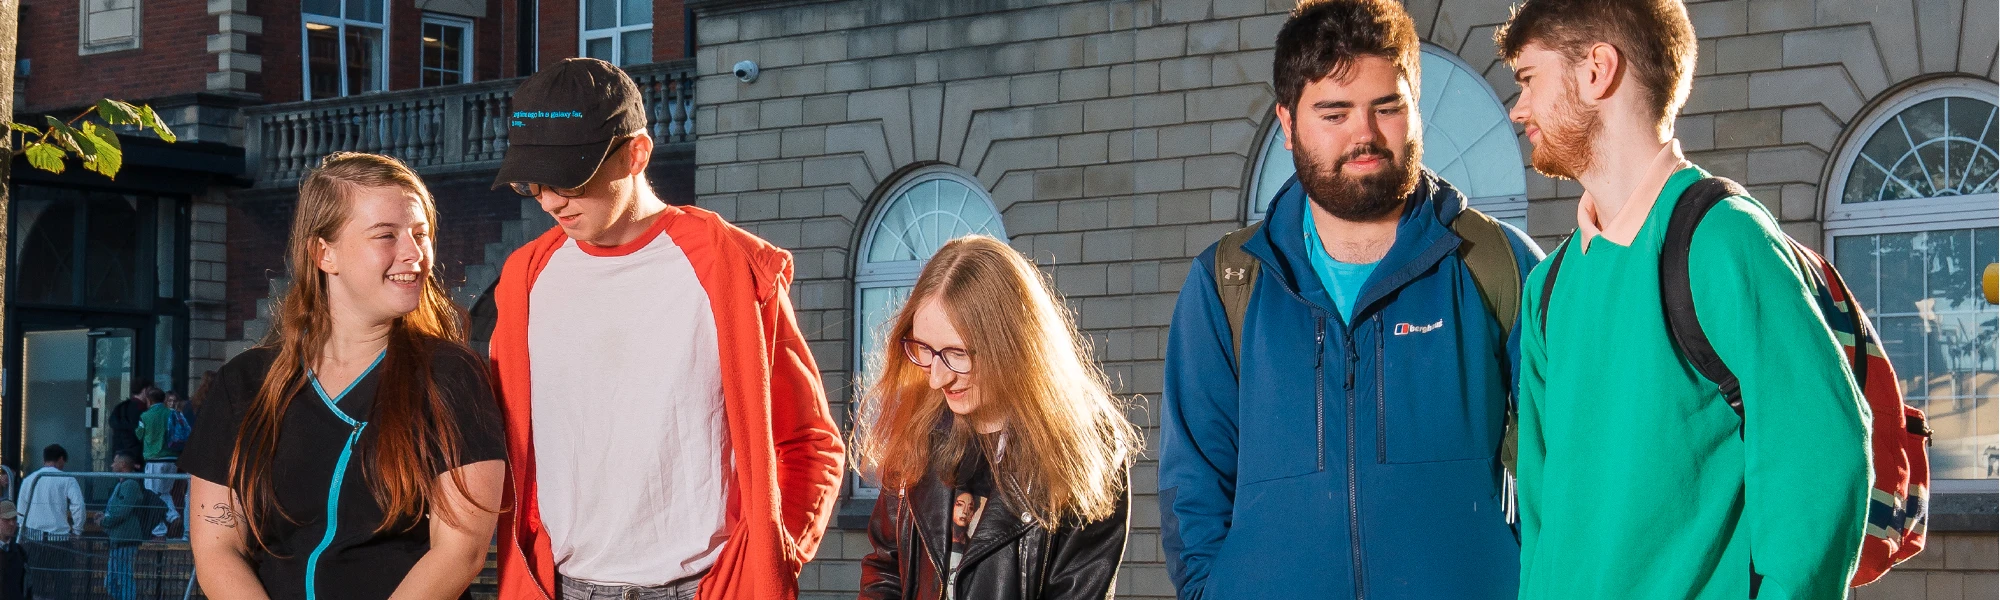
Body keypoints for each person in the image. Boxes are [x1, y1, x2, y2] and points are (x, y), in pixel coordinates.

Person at [1158, 1, 1543, 599]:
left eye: (1387, 108)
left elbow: (1562, 467)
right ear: (1287, 125)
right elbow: (1194, 491)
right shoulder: (1226, 284)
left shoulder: (1499, 265)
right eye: (1334, 113)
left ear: (1415, 107)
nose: (1364, 134)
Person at [1496, 1, 1871, 598]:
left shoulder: (1722, 239)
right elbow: (1543, 520)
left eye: (1528, 81)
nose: (1518, 109)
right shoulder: (1551, 287)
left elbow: (1824, 464)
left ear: (1597, 70)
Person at [486, 58, 844, 600]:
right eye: (531, 183)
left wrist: (764, 565)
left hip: (701, 588)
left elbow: (809, 444)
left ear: (637, 154)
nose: (551, 201)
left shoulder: (729, 266)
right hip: (561, 587)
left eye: (571, 178)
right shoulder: (524, 280)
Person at [180, 152, 507, 599]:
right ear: (324, 253)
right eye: (386, 235)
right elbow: (217, 547)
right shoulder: (245, 384)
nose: (413, 254)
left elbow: (459, 552)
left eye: (421, 233)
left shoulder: (449, 376)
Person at [854, 236, 1136, 600]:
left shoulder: (1086, 450)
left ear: (1012, 343)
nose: (937, 378)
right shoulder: (919, 426)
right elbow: (885, 571)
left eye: (957, 353)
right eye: (924, 349)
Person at [99, 451, 159, 600]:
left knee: (124, 578)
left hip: (125, 538)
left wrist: (104, 521)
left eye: (115, 461)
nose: (112, 464)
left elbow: (122, 510)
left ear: (123, 464)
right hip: (117, 538)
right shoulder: (123, 483)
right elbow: (116, 508)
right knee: (111, 580)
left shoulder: (130, 484)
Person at [136, 388, 185, 537]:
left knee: (152, 494)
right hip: (172, 459)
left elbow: (139, 434)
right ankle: (173, 516)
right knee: (164, 492)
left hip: (154, 459)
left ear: (149, 401)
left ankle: (160, 529)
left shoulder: (145, 416)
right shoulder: (172, 414)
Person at [109, 386, 155, 467]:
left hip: (122, 453)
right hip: (137, 455)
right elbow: (140, 435)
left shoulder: (121, 408)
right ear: (144, 391)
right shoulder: (143, 412)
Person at [0, 501, 27, 600]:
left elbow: (25, 586)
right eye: (6, 519)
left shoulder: (20, 553)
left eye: (14, 519)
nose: (12, 523)